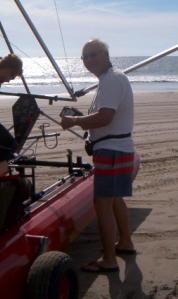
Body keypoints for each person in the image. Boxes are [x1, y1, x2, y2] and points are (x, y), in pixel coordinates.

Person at [61, 38, 136, 273]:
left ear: (106, 54)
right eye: (85, 57)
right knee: (115, 200)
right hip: (119, 148)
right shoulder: (110, 78)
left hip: (112, 150)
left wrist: (74, 120)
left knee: (102, 204)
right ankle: (125, 241)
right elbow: (103, 116)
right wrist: (83, 119)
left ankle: (109, 260)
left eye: (94, 54)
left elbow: (105, 118)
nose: (89, 60)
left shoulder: (112, 79)